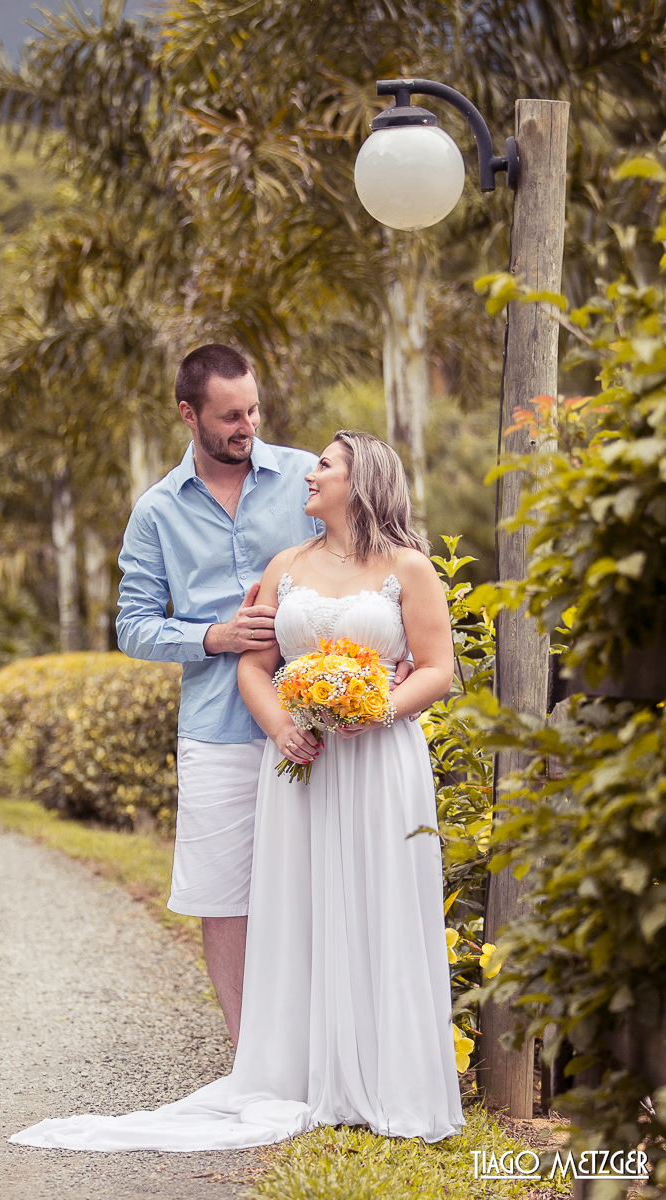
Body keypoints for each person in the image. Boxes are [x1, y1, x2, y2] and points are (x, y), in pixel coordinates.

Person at [10, 429, 464, 1152]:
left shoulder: (408, 568)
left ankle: (388, 1078)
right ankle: (300, 1070)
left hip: (380, 763)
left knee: (378, 900)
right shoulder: (285, 565)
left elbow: (437, 670)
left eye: (325, 466)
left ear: (362, 481)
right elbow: (257, 667)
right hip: (301, 766)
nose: (308, 475)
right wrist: (284, 727)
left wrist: (375, 705)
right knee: (303, 906)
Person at [111, 344, 413, 1046]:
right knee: (225, 896)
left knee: (319, 885)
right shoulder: (155, 512)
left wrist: (387, 664)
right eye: (229, 416)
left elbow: (366, 566)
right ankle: (252, 1055)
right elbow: (132, 625)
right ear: (189, 414)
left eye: (252, 409)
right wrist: (214, 635)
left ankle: (325, 1047)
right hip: (218, 726)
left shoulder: (308, 479)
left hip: (324, 723)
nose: (247, 425)